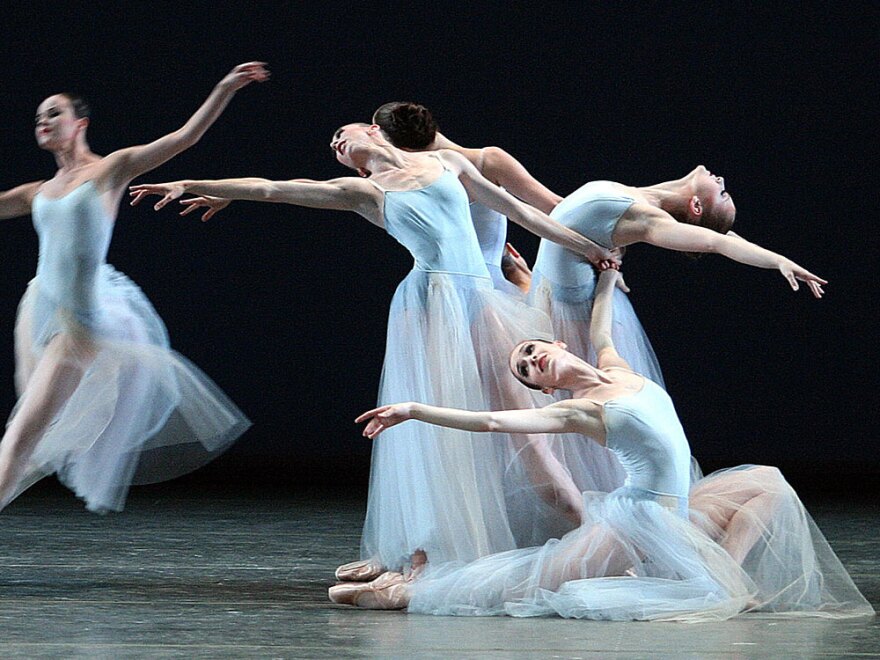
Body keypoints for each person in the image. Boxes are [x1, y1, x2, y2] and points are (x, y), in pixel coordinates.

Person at [129, 122, 615, 576]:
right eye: (333, 146)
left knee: (522, 426)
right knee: (437, 431)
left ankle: (587, 529)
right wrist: (191, 184)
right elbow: (272, 187)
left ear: (376, 130)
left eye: (342, 132)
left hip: (481, 301)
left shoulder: (449, 164)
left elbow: (522, 212)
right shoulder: (364, 191)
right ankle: (426, 550)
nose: (336, 142)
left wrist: (586, 248)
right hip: (429, 307)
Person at [348, 268, 872, 621]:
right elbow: (488, 422)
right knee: (536, 582)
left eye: (532, 351)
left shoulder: (614, 369)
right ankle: (413, 591)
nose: (532, 361)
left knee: (768, 484)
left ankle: (723, 579)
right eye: (526, 371)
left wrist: (607, 276)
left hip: (675, 512)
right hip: (637, 520)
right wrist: (413, 410)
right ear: (545, 389)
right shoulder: (575, 409)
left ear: (554, 342)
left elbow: (601, 328)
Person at [0, 62, 267, 514]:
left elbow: (183, 138)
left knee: (23, 432)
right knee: (33, 437)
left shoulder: (110, 170)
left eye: (53, 114)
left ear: (80, 123)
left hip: (79, 322)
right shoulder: (37, 191)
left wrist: (224, 87)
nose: (43, 123)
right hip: (38, 312)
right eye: (38, 118)